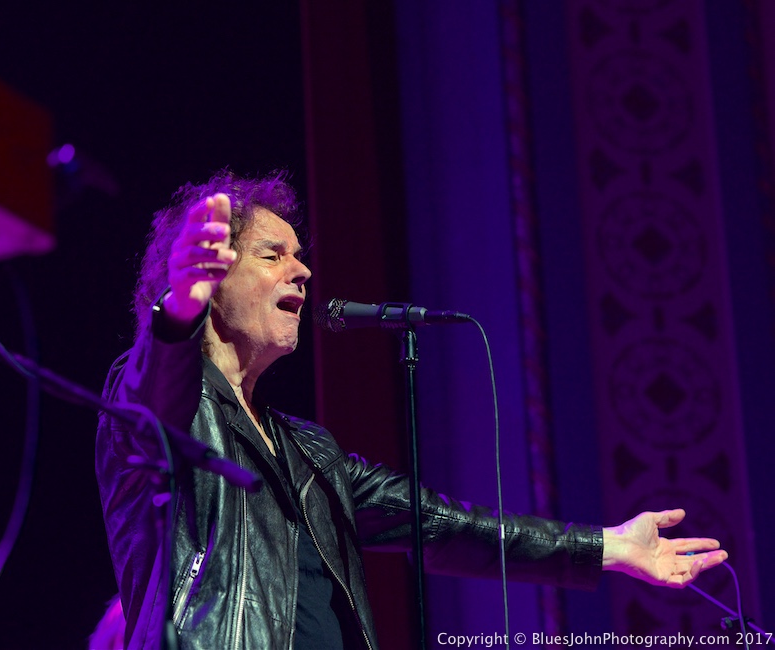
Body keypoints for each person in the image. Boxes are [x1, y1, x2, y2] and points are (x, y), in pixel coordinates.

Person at [95, 170, 727, 650]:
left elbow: (445, 524)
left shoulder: (310, 452)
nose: (304, 270)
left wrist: (608, 545)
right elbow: (159, 395)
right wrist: (177, 312)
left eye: (300, 254)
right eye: (273, 255)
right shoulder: (146, 396)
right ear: (210, 275)